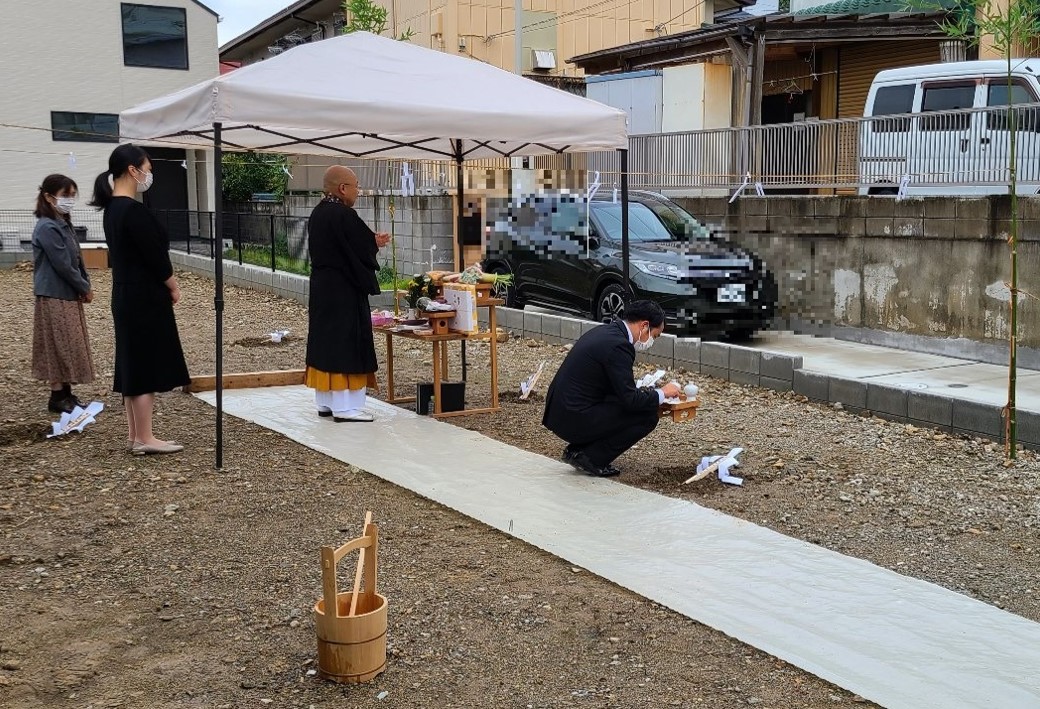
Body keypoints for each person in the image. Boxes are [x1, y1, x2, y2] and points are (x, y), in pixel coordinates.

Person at [90, 144, 189, 455]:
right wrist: (172, 285)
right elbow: (155, 257)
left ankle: (137, 435)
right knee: (144, 364)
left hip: (124, 292)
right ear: (133, 170)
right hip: (144, 295)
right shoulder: (133, 211)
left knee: (132, 364)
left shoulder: (112, 209)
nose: (149, 175)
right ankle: (145, 437)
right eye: (147, 168)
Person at [542, 299, 680, 477]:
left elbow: (616, 386)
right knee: (647, 415)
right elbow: (630, 400)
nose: (652, 341)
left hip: (560, 411)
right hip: (573, 417)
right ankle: (590, 457)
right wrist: (662, 393)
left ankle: (577, 450)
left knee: (632, 403)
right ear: (645, 325)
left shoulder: (606, 332)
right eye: (654, 335)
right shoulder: (619, 346)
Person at [304, 166, 391, 422]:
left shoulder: (318, 212)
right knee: (346, 342)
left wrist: (369, 241)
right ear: (343, 188)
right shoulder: (343, 214)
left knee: (324, 341)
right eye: (355, 185)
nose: (358, 191)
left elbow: (346, 245)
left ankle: (325, 401)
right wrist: (374, 243)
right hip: (343, 288)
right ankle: (345, 407)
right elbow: (359, 249)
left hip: (322, 286)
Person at [31, 174, 96, 414]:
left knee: (68, 343)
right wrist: (84, 287)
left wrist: (84, 283)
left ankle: (66, 393)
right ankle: (58, 395)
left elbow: (76, 258)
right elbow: (63, 265)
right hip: (53, 294)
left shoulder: (62, 222)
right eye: (64, 195)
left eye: (72, 195)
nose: (69, 200)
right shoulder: (47, 226)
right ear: (48, 197)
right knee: (58, 344)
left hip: (67, 293)